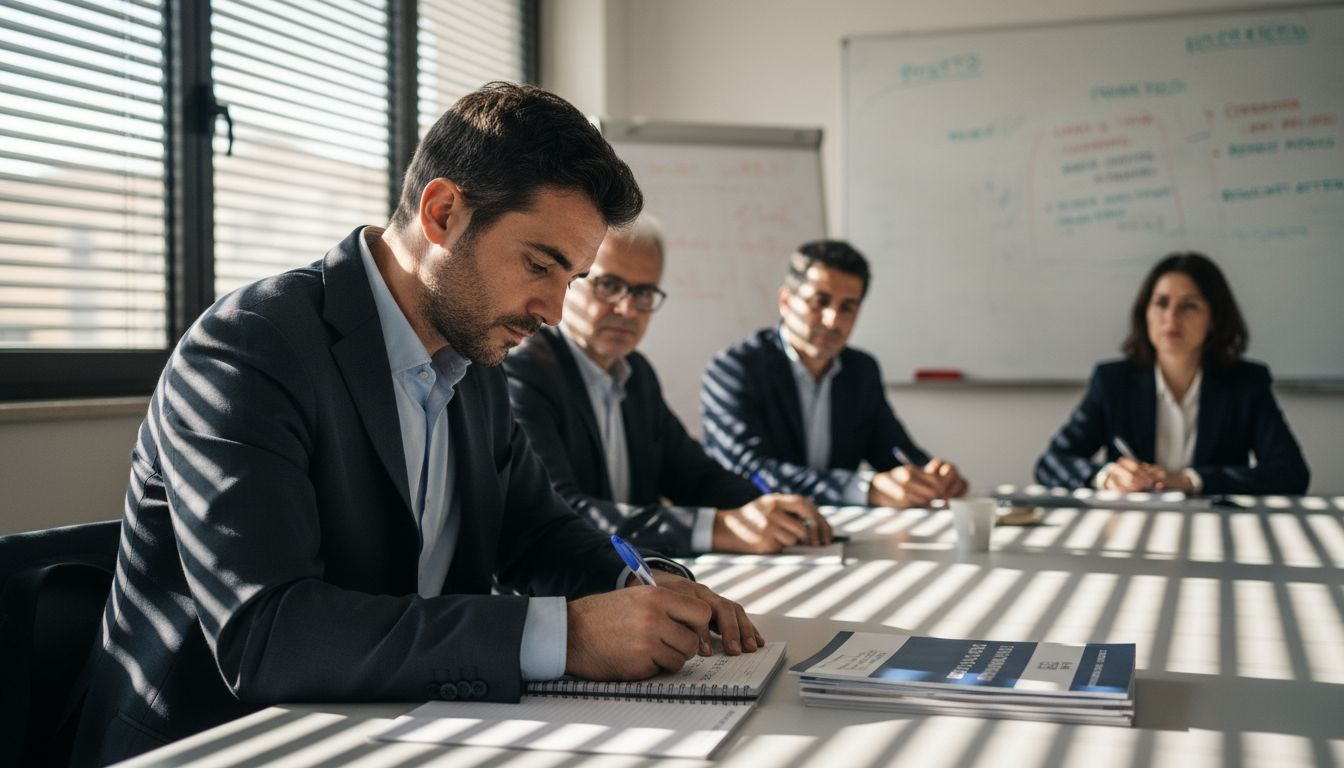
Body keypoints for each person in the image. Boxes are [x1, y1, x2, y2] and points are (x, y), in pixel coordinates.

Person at [74, 83, 762, 766]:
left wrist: (648, 589)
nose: (554, 309)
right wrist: (570, 634)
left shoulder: (474, 360)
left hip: (402, 728)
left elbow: (541, 532)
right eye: (539, 264)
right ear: (442, 213)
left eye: (573, 279)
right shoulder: (250, 347)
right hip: (227, 745)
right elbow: (271, 635)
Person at [504, 217, 831, 557]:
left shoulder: (637, 373)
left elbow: (694, 475)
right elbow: (561, 510)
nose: (627, 309)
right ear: (572, 278)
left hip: (642, 580)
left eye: (643, 293)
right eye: (609, 285)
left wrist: (770, 508)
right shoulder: (526, 370)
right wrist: (723, 528)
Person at [702, 240, 968, 509]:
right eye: (821, 301)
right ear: (786, 301)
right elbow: (750, 471)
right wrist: (864, 489)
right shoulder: (734, 369)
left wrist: (931, 475)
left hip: (839, 533)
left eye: (847, 308)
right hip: (756, 534)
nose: (833, 320)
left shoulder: (861, 370)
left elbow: (894, 451)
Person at [1035, 252, 1310, 495]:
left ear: (1214, 319)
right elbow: (1051, 463)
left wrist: (1190, 480)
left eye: (1189, 305)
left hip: (1217, 532)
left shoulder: (1245, 383)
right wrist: (1106, 477)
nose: (1171, 317)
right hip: (1129, 530)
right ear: (1146, 312)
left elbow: (1290, 473)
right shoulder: (1113, 381)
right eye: (1161, 303)